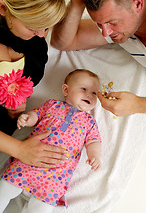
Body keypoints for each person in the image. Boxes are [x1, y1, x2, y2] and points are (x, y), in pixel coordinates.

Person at [51, 0, 146, 117]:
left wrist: (139, 104)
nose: (105, 33)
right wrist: (77, 4)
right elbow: (63, 42)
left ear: (138, 4)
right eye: (99, 24)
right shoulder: (122, 19)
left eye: (112, 22)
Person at [0, 69, 101, 212]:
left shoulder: (89, 122)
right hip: (27, 161)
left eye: (94, 93)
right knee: (4, 190)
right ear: (66, 90)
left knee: (42, 208)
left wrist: (94, 156)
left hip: (55, 175)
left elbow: (94, 141)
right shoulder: (52, 105)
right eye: (84, 89)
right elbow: (36, 115)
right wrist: (28, 118)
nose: (89, 95)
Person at [0, 0, 67, 169]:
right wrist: (19, 149)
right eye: (33, 27)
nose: (41, 34)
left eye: (46, 27)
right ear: (3, 8)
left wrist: (14, 106)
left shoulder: (34, 46)